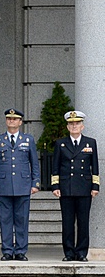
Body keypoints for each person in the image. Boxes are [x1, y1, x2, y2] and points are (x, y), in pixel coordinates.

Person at [0, 108, 39, 261]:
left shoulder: (28, 139)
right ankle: (7, 250)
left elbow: (34, 163)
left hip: (23, 185)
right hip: (3, 186)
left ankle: (21, 251)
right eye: (9, 119)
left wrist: (35, 182)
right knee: (5, 220)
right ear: (6, 121)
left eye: (15, 119)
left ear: (20, 122)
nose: (12, 121)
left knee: (22, 220)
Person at [51, 110, 99, 262]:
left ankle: (82, 253)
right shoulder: (61, 143)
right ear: (67, 127)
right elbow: (55, 166)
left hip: (84, 188)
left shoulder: (90, 142)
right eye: (71, 124)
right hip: (67, 188)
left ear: (82, 126)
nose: (74, 126)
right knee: (67, 222)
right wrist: (55, 186)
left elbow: (95, 166)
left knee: (83, 222)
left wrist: (95, 186)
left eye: (77, 123)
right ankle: (69, 252)